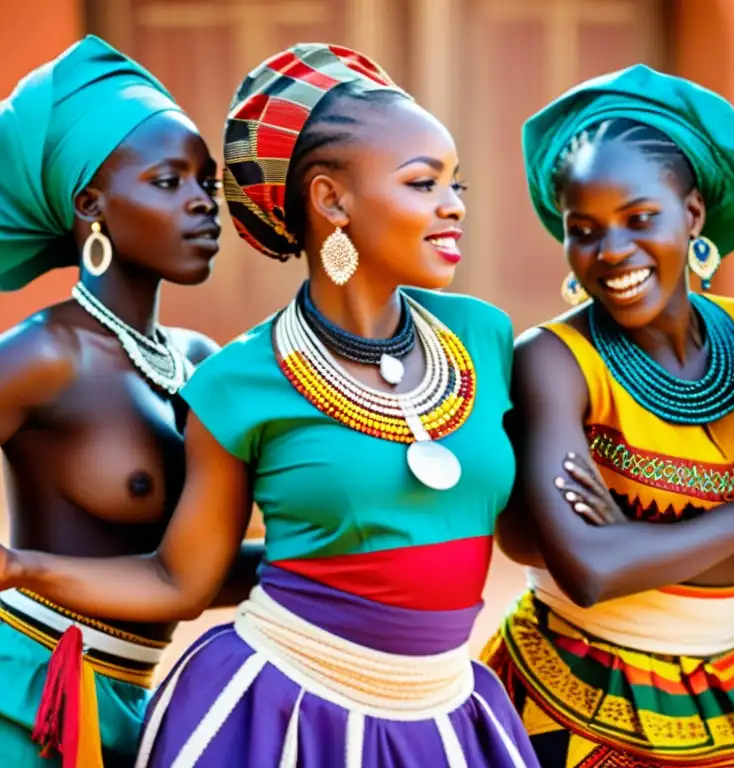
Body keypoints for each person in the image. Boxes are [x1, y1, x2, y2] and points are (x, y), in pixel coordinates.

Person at [0, 43, 539, 767]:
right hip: (269, 706)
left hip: (440, 705)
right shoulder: (232, 379)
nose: (453, 205)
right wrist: (19, 567)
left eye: (456, 184)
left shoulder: (485, 336)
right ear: (329, 200)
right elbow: (182, 576)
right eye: (422, 183)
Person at [482, 64, 734, 768]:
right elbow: (593, 570)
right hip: (573, 686)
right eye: (585, 229)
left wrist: (645, 541)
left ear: (692, 216)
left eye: (640, 219)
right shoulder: (554, 360)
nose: (611, 252)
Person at [0, 35, 262, 767]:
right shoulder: (44, 355)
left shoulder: (201, 366)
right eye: (168, 181)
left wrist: (352, 564)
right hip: (22, 700)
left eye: (205, 182)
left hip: (139, 705)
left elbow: (191, 575)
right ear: (93, 207)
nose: (203, 205)